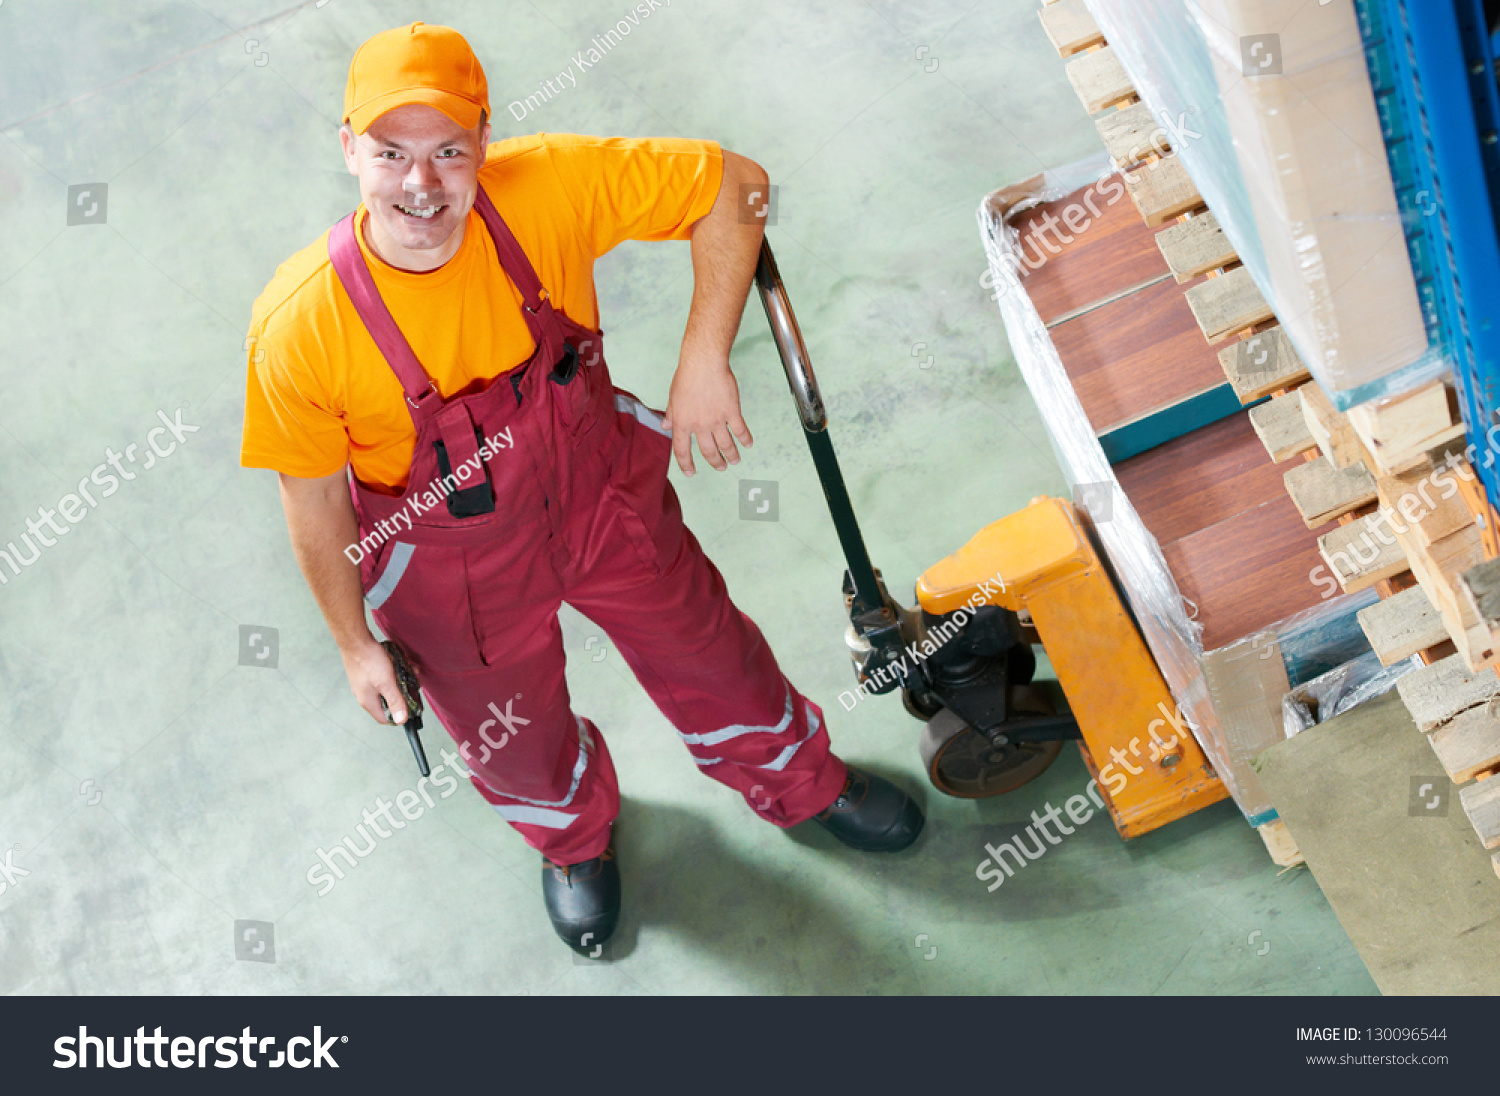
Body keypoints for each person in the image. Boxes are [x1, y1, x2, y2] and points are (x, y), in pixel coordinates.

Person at [240, 22, 923, 955]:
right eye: (390, 153)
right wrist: (356, 644)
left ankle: (801, 782)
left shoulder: (548, 187)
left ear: (485, 141)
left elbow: (740, 185)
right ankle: (571, 840)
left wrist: (702, 358)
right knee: (509, 733)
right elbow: (311, 498)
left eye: (448, 150)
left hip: (602, 498)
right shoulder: (302, 325)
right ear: (348, 149)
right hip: (453, 576)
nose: (421, 185)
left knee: (711, 651)